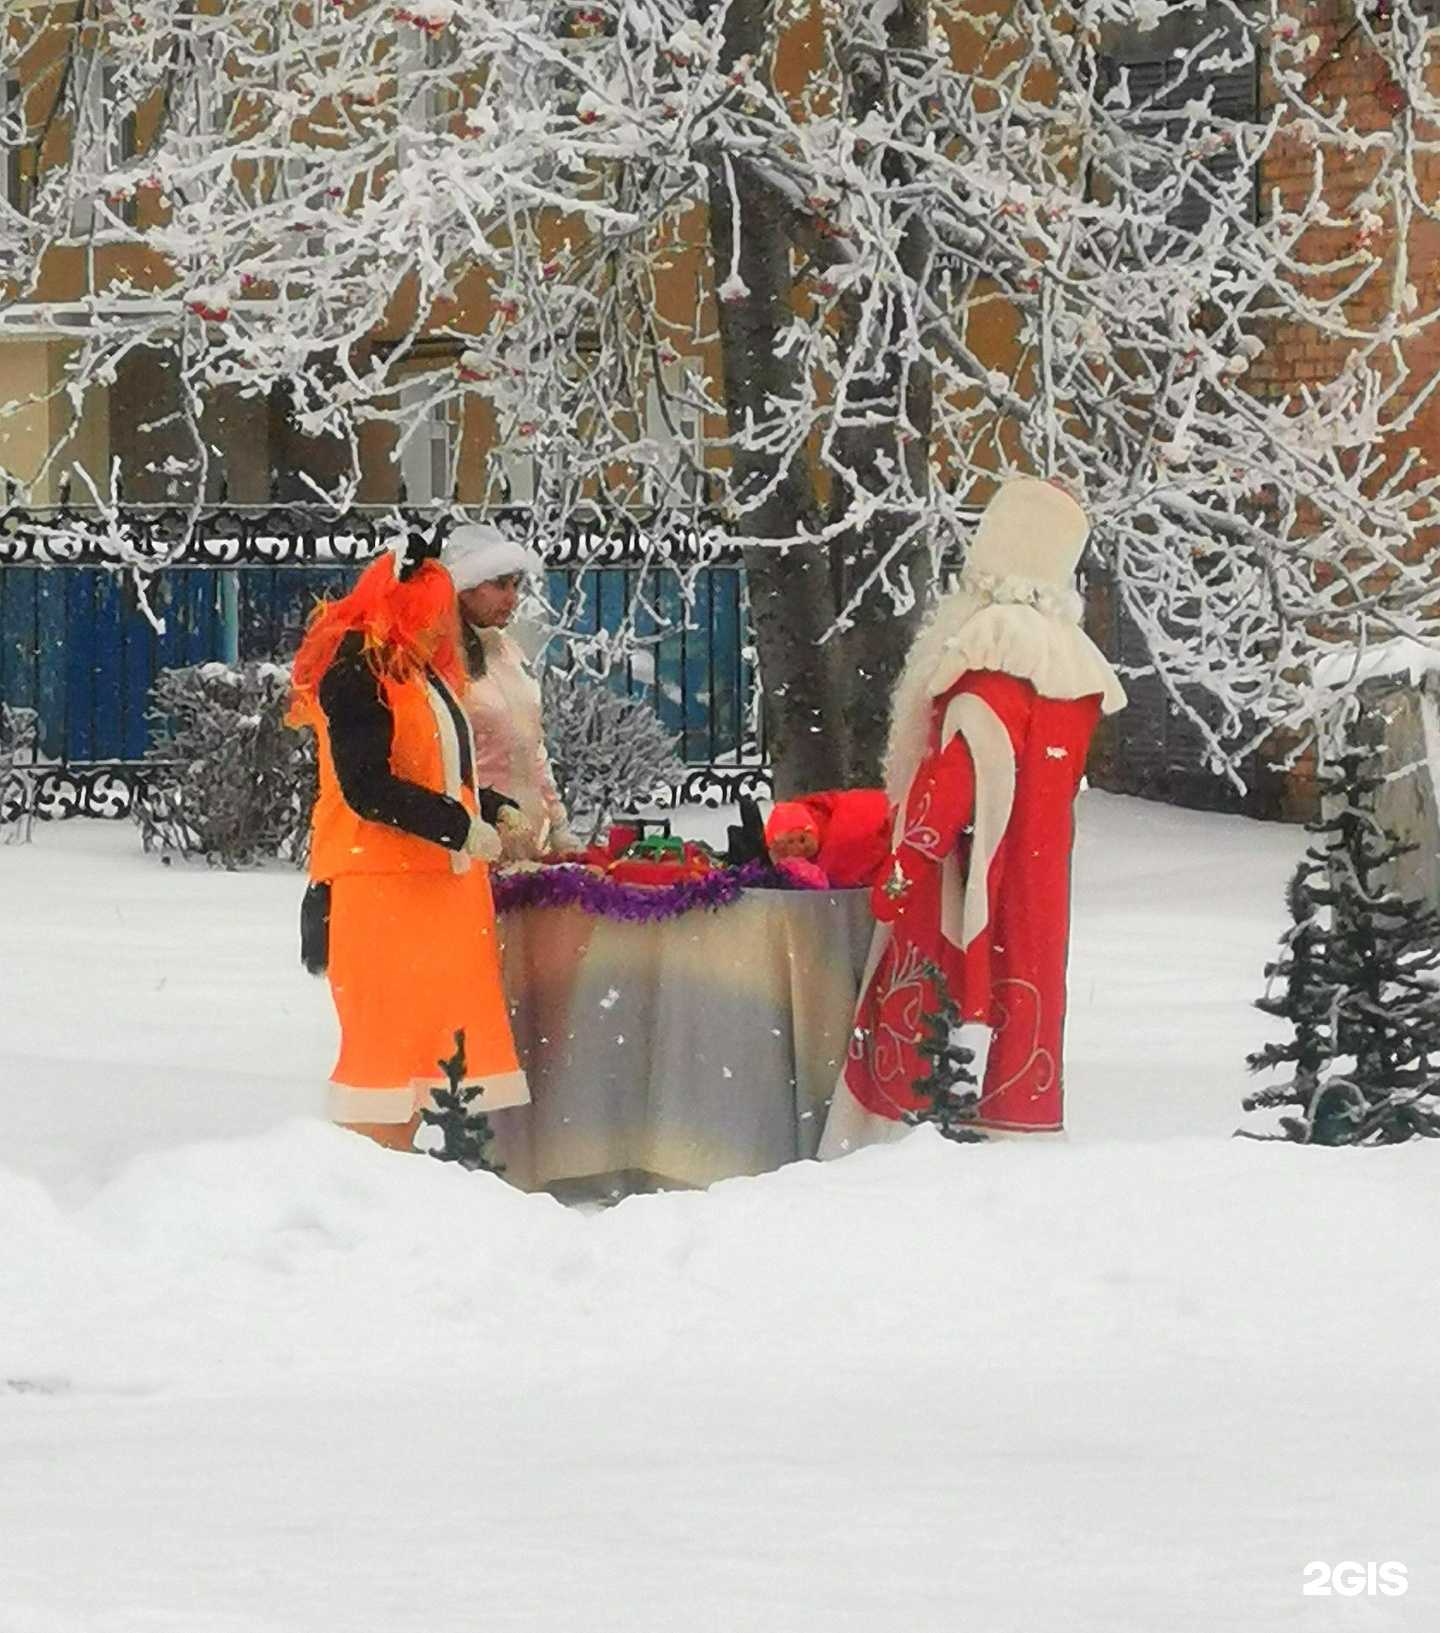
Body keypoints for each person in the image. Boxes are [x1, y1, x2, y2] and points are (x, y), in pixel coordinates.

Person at [819, 476, 1127, 1155]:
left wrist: (907, 858)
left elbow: (965, 765)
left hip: (963, 870)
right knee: (1031, 999)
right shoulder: (1069, 659)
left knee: (929, 1007)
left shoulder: (994, 641)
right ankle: (1021, 1119)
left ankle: (899, 1142)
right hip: (1040, 871)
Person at [288, 529, 529, 1149]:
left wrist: (494, 809)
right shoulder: (358, 674)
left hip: (436, 891)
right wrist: (459, 828)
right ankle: (368, 1175)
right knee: (385, 1053)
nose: (444, 627)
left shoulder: (421, 675)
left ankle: (406, 1177)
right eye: (434, 612)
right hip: (382, 889)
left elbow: (441, 771)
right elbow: (368, 786)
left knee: (430, 1051)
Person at [441, 523, 581, 862]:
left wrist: (558, 824)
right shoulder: (442, 659)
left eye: (515, 585)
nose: (512, 598)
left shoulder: (508, 650)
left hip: (529, 839)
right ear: (465, 587)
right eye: (500, 585)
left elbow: (531, 745)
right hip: (475, 842)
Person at [764, 789, 892, 888]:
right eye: (795, 853)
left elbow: (859, 812)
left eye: (802, 839)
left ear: (810, 828)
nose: (800, 848)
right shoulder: (810, 873)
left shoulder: (825, 813)